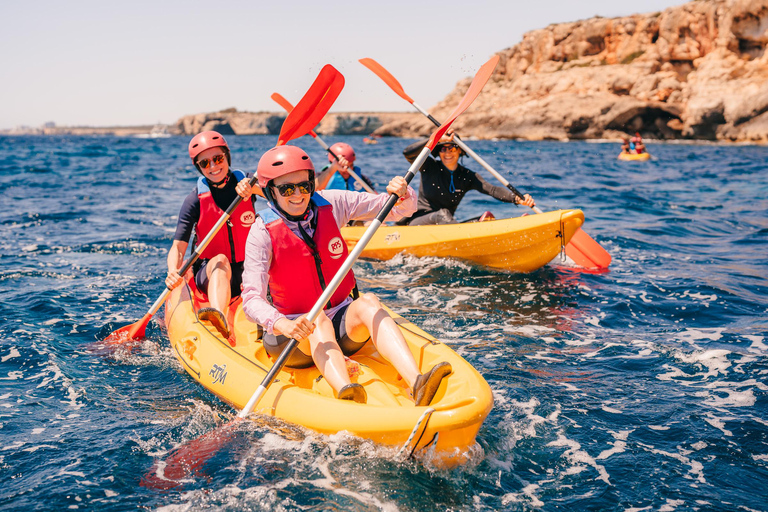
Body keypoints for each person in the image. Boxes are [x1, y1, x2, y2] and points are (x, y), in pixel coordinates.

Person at [241, 145, 452, 405]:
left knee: (368, 302)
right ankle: (346, 391)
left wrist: (401, 193)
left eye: (305, 186)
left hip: (340, 325)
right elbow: (251, 299)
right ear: (270, 191)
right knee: (316, 319)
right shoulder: (262, 231)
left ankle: (417, 381)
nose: (298, 195)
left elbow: (396, 210)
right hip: (292, 337)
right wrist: (282, 324)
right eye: (287, 189)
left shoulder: (332, 202)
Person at [165, 131, 265, 338]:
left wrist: (255, 190)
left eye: (218, 159)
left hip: (248, 267)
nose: (213, 166)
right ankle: (219, 315)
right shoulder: (194, 200)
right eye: (205, 163)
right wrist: (173, 271)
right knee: (220, 261)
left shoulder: (248, 183)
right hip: (211, 272)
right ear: (199, 167)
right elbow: (178, 246)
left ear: (226, 157)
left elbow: (279, 197)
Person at [400, 133, 536, 226]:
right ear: (438, 152)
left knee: (480, 220)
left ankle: (513, 228)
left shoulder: (467, 176)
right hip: (419, 222)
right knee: (443, 214)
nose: (448, 153)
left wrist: (517, 198)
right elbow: (408, 153)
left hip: (446, 225)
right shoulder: (429, 166)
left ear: (460, 151)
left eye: (452, 147)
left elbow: (492, 189)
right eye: (443, 148)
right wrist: (437, 139)